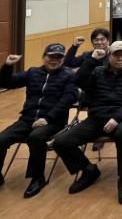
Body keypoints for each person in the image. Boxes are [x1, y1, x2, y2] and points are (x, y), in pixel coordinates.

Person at [53, 41, 122, 204]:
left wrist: (116, 118)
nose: (120, 58)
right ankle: (88, 170)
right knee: (61, 141)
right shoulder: (97, 71)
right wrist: (91, 60)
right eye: (116, 55)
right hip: (96, 118)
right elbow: (79, 81)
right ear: (109, 56)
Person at [0, 44, 77, 198]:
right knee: (1, 139)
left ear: (63, 59)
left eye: (59, 57)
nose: (54, 60)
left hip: (53, 122)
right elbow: (5, 83)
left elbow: (68, 99)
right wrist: (7, 66)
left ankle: (37, 178)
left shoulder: (69, 76)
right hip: (27, 119)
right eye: (51, 56)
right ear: (44, 57)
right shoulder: (33, 72)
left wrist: (48, 118)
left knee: (35, 137)